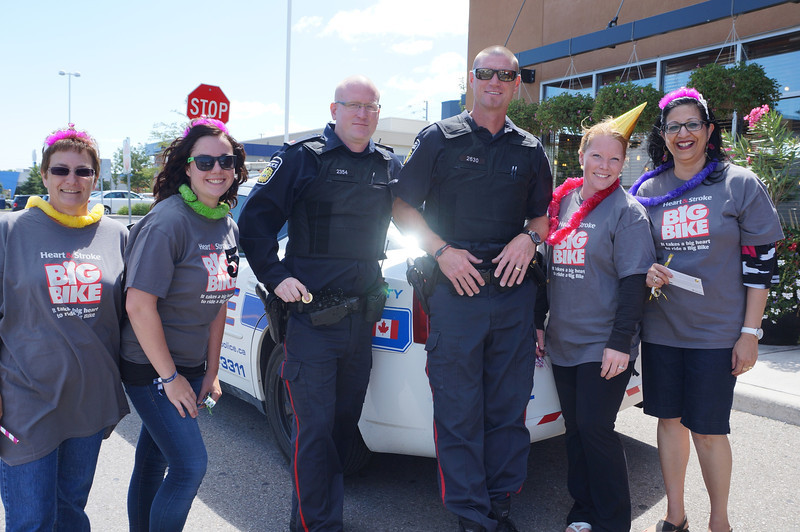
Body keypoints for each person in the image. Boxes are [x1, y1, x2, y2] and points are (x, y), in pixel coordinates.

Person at [391, 45, 553, 532]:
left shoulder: (529, 148)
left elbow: (543, 216)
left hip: (513, 293)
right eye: (487, 73)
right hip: (454, 291)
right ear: (472, 78)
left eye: (507, 75)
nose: (496, 82)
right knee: (459, 412)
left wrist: (529, 239)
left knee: (508, 412)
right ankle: (470, 517)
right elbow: (401, 208)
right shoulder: (438, 139)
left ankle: (500, 507)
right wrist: (441, 250)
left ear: (517, 84)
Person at [238, 75, 401, 532]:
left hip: (360, 321)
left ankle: (319, 515)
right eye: (353, 106)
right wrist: (277, 276)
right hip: (311, 323)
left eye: (372, 107)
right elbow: (255, 223)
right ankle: (316, 526)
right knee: (313, 432)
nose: (363, 114)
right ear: (334, 110)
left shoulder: (388, 165)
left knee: (342, 431)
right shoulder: (302, 159)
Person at [630, 87, 783, 532]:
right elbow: (632, 256)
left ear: (709, 130)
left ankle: (720, 523)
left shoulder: (738, 183)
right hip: (661, 331)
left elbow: (761, 264)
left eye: (692, 124)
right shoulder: (648, 189)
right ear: (663, 134)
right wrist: (645, 271)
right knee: (668, 422)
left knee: (709, 431)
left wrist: (749, 334)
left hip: (716, 335)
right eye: (673, 126)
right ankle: (675, 516)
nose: (683, 133)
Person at [0, 125, 129, 530]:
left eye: (83, 171)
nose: (71, 180)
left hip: (89, 400)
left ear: (95, 177)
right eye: (60, 170)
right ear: (44, 176)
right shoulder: (10, 230)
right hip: (25, 402)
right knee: (32, 520)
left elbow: (135, 313)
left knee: (71, 511)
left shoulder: (116, 234)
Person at [120, 117, 245, 531]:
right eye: (205, 161)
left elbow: (218, 304)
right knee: (190, 466)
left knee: (155, 459)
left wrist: (211, 371)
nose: (217, 169)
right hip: (151, 367)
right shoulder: (167, 221)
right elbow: (139, 306)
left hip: (190, 367)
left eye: (225, 161)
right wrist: (171, 377)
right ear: (187, 167)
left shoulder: (228, 225)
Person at [535, 106, 655, 532]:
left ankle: (612, 520)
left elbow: (634, 283)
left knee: (596, 429)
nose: (605, 167)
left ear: (625, 164)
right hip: (562, 340)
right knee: (575, 431)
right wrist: (538, 322)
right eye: (597, 156)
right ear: (581, 156)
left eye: (616, 159)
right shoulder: (562, 201)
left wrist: (620, 343)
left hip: (604, 344)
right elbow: (545, 270)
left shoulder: (627, 212)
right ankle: (582, 510)